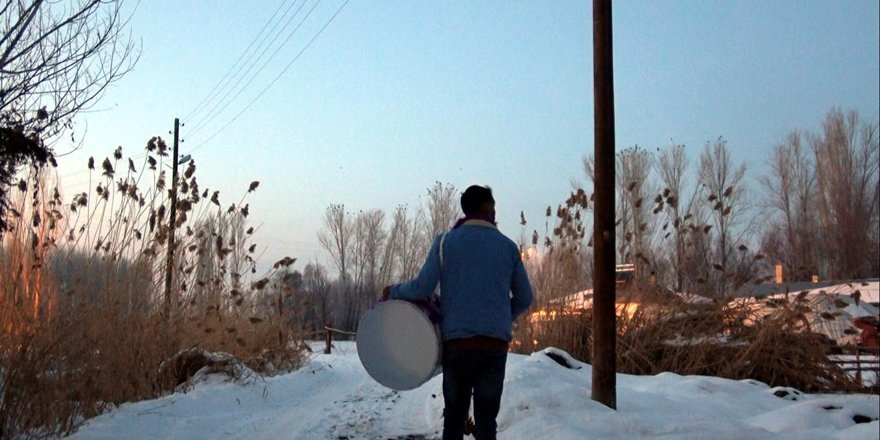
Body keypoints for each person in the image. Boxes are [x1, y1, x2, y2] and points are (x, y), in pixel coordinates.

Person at [383, 184, 534, 440]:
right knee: (487, 421)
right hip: (494, 347)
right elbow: (525, 297)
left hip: (458, 345)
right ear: (489, 208)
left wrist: (391, 292)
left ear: (465, 209)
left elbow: (422, 288)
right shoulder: (507, 247)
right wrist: (499, 318)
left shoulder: (445, 243)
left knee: (454, 418)